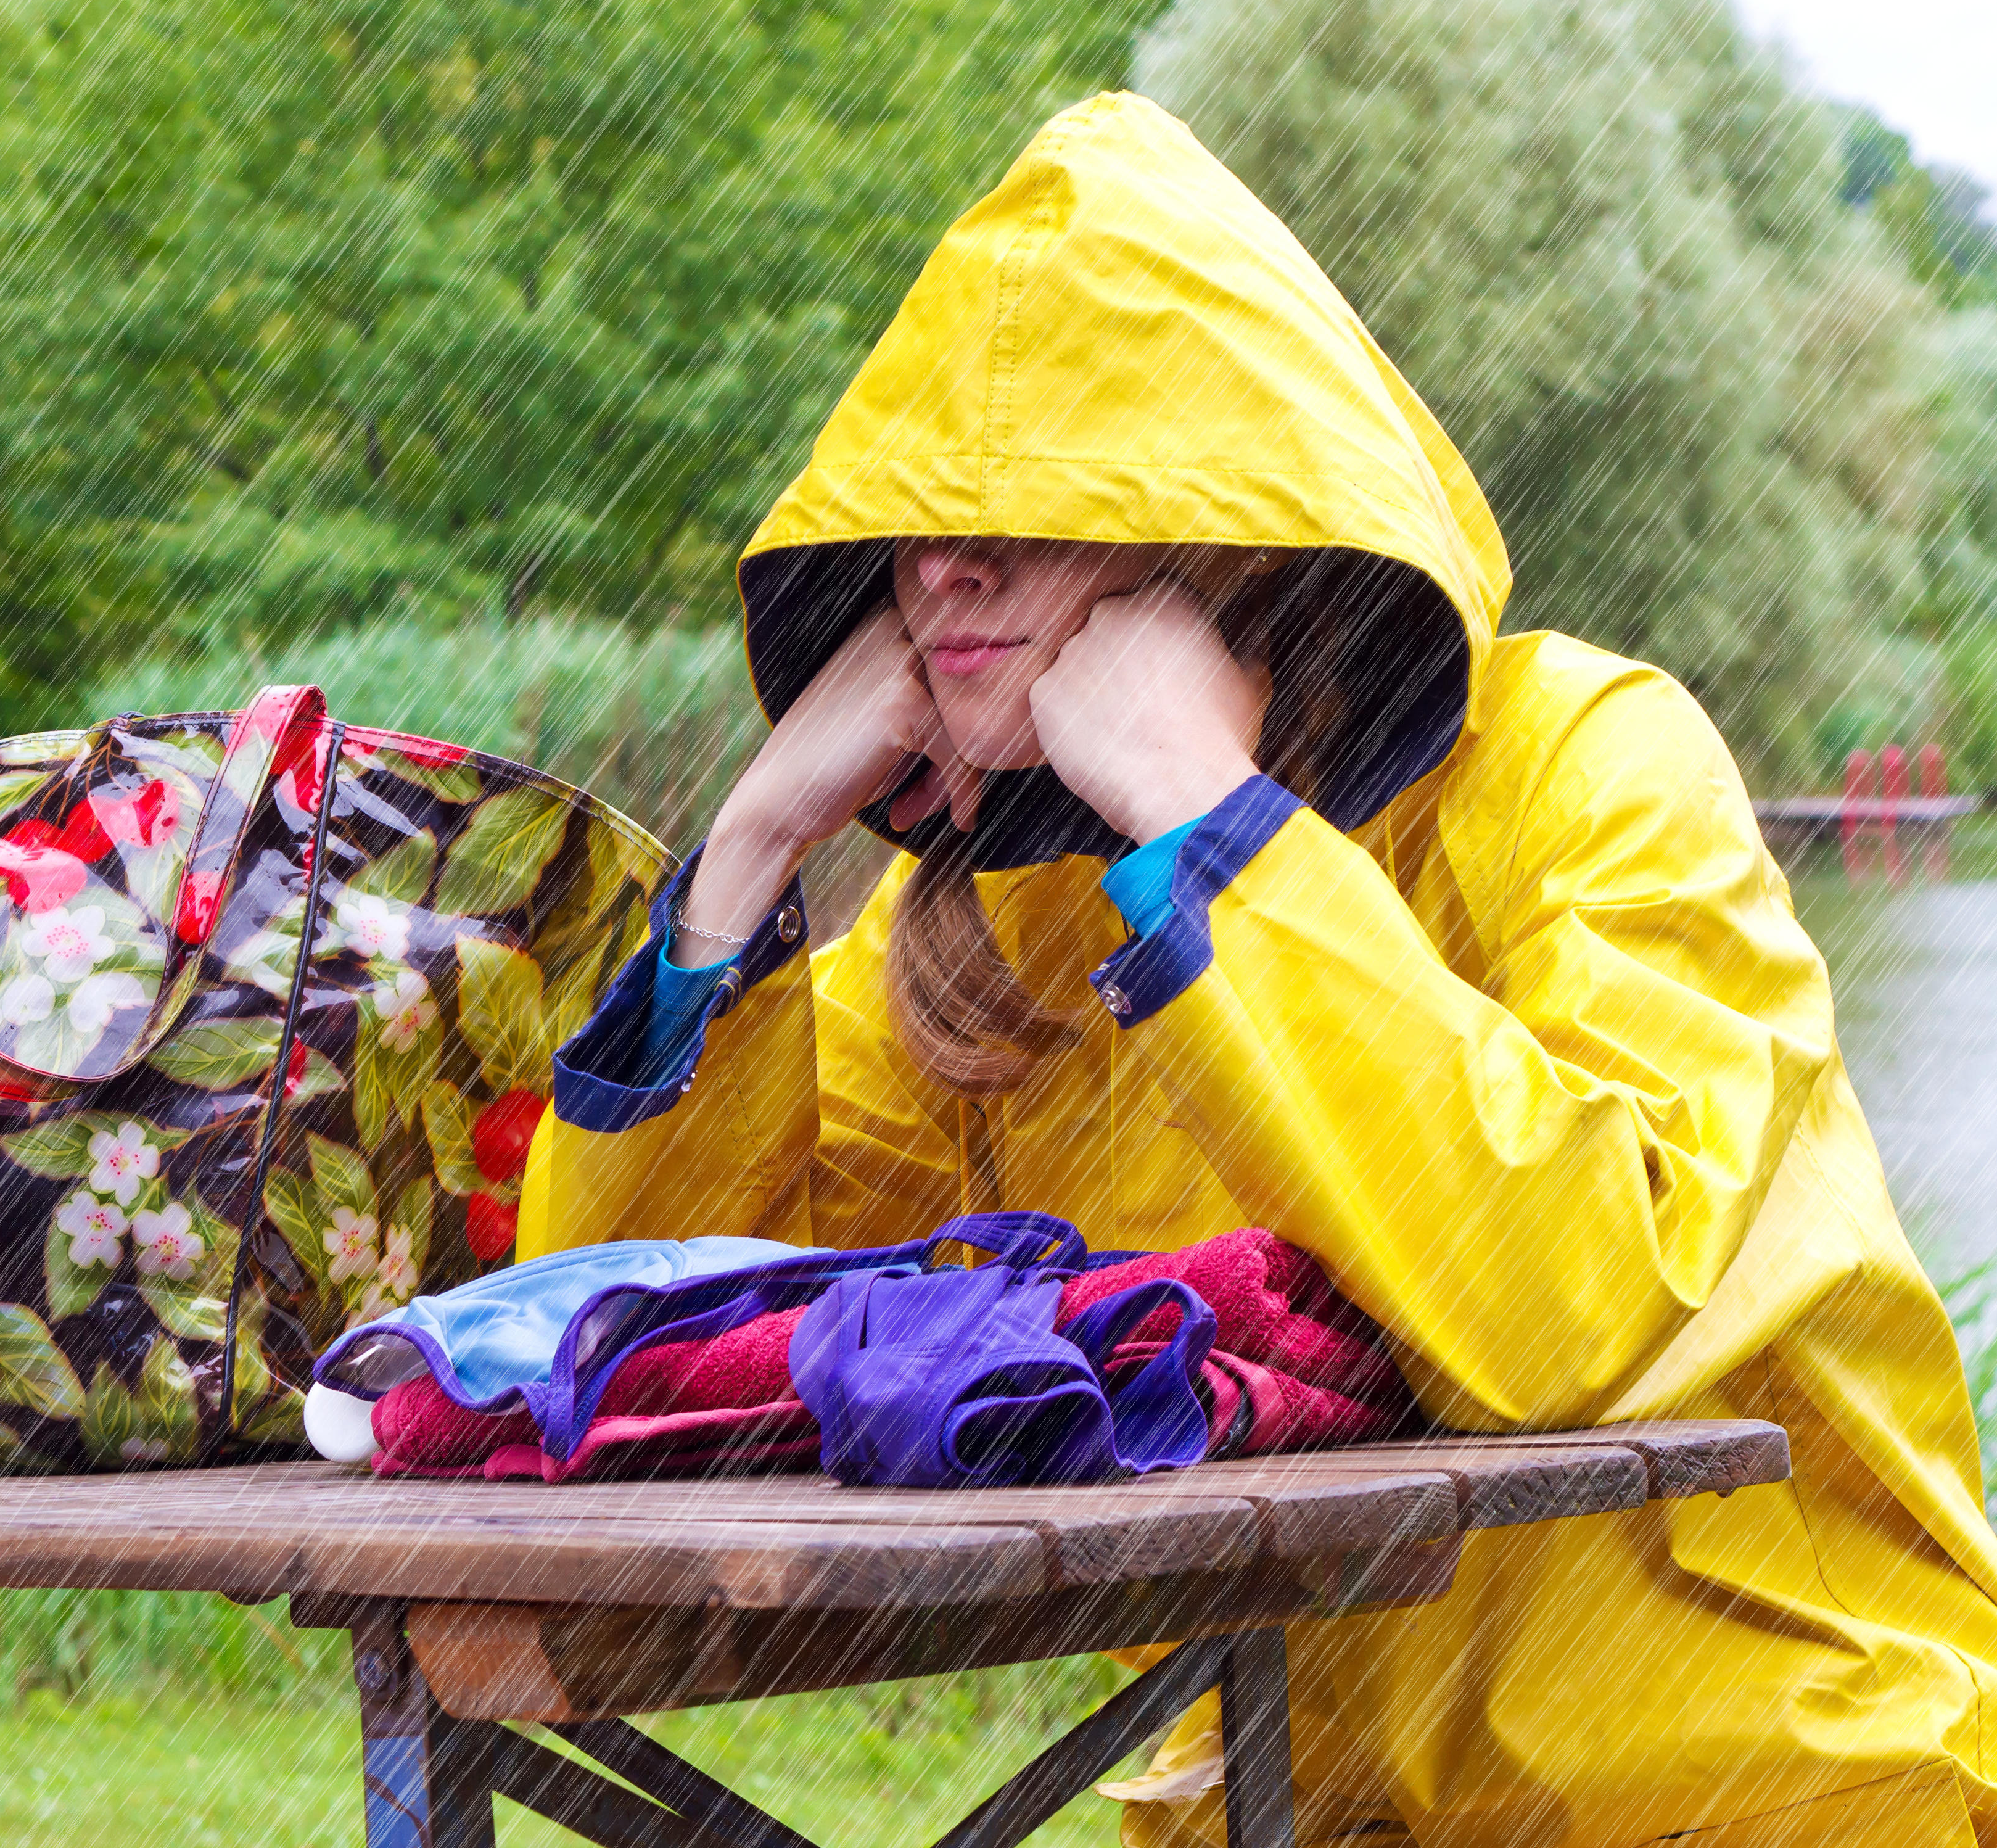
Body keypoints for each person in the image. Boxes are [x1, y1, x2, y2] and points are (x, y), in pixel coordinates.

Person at [519, 93, 1997, 1846]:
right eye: (913, 515)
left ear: (1223, 526)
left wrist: (1209, 822)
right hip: (1296, 1805)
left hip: (1769, 1783)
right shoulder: (1000, 934)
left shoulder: (1590, 759)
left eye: (1038, 505)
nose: (945, 568)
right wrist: (746, 861)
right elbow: (611, 1349)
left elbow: (1576, 1301)